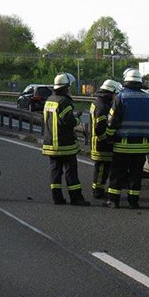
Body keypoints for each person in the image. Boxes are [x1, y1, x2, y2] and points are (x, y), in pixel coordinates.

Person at [104, 69, 149, 209]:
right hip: (142, 145)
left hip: (123, 145)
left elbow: (112, 121)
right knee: (136, 174)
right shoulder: (148, 98)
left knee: (118, 173)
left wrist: (109, 136)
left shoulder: (121, 97)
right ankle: (133, 201)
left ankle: (114, 201)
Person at [42, 72, 90, 206]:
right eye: (69, 86)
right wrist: (77, 118)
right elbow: (68, 121)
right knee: (71, 172)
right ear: (65, 87)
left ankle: (57, 198)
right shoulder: (64, 101)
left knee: (55, 172)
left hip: (51, 143)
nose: (70, 89)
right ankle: (76, 198)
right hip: (64, 144)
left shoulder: (49, 100)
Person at [89, 79, 121, 199]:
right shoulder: (103, 106)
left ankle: (98, 188)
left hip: (96, 142)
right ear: (111, 92)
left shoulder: (97, 102)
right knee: (102, 169)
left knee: (101, 168)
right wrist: (106, 139)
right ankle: (98, 190)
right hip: (101, 144)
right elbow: (100, 128)